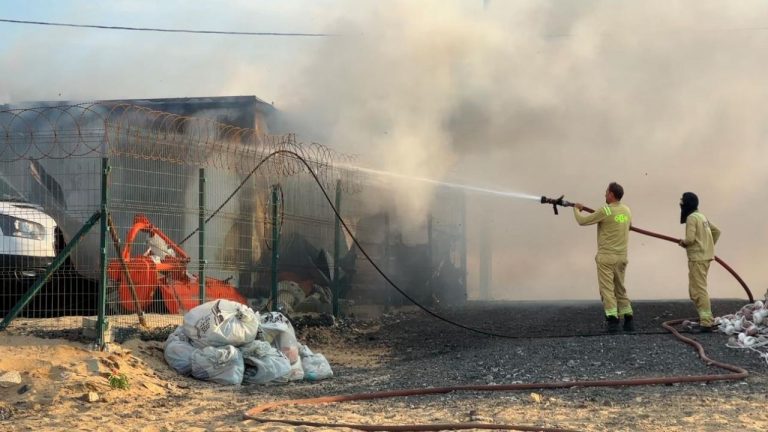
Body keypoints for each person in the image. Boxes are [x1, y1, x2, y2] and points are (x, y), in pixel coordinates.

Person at [573, 182, 633, 333]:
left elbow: (582, 221)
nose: (604, 195)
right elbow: (628, 225)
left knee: (607, 289)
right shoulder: (626, 210)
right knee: (620, 287)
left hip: (606, 257)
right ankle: (628, 317)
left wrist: (576, 209)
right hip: (622, 257)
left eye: (606, 192)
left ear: (612, 194)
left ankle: (612, 320)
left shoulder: (605, 210)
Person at [678, 192, 720, 333]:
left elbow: (690, 239)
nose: (681, 204)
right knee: (695, 290)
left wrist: (683, 243)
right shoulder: (701, 216)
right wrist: (708, 246)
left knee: (699, 290)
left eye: (682, 201)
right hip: (705, 257)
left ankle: (706, 322)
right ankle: (706, 319)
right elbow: (716, 232)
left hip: (697, 258)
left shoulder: (691, 218)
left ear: (687, 204)